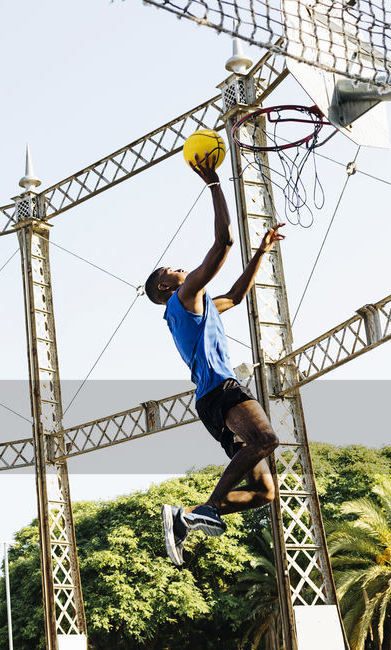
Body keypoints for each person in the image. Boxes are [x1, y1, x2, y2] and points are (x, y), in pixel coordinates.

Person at [143, 155, 284, 566]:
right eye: (174, 269)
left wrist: (261, 252)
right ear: (166, 286)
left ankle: (187, 518)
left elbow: (236, 296)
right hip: (221, 391)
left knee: (263, 494)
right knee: (267, 440)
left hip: (212, 400)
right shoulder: (183, 299)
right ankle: (209, 505)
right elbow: (222, 244)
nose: (182, 268)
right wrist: (214, 184)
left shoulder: (199, 307)